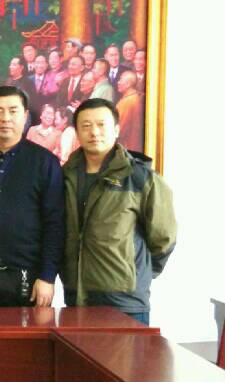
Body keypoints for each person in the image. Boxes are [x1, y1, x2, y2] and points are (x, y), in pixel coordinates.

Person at [61, 98, 177, 325]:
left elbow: (163, 238)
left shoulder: (140, 177)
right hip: (76, 299)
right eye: (86, 125)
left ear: (116, 129)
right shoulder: (65, 177)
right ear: (77, 132)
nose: (94, 132)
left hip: (125, 302)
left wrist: (137, 273)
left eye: (101, 124)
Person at [0, 86, 65, 307]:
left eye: (13, 111)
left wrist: (47, 276)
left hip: (28, 273)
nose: (5, 118)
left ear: (25, 116)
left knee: (28, 330)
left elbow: (55, 223)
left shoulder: (45, 163)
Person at [116, 71, 144, 152]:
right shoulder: (135, 97)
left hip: (127, 147)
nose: (118, 82)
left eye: (120, 80)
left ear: (128, 84)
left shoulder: (128, 102)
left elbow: (120, 129)